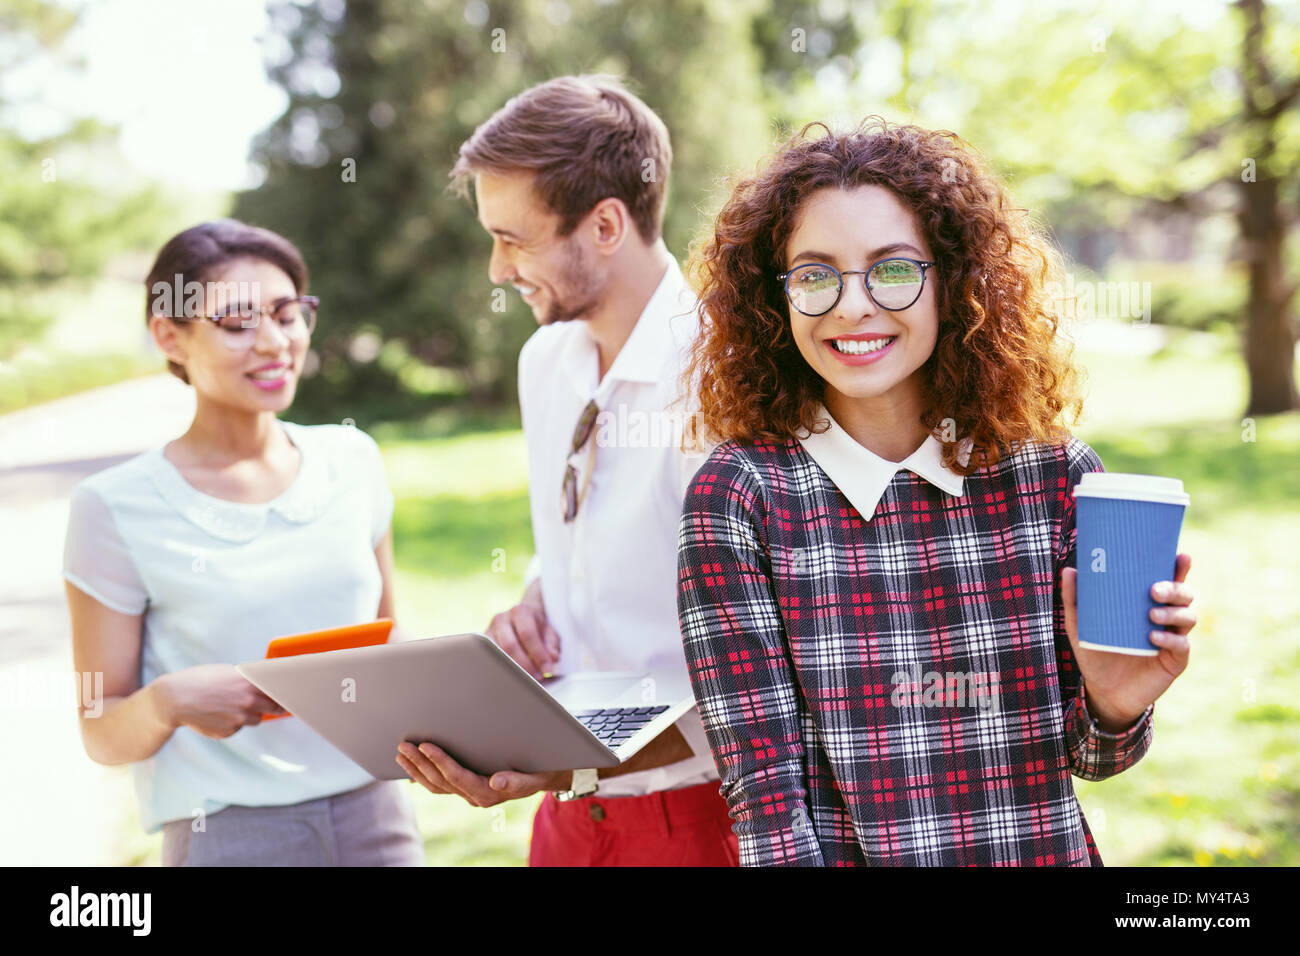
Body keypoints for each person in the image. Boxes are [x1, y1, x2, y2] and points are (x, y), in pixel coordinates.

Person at [675, 118, 1200, 866]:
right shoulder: (740, 498)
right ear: (776, 297)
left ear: (953, 281)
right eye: (816, 275)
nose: (852, 306)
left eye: (892, 270)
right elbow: (768, 807)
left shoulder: (1057, 478)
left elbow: (1096, 762)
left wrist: (1115, 703)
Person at [395, 74, 737, 866]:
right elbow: (604, 540)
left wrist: (560, 764)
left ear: (608, 224)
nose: (494, 267)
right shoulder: (545, 361)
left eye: (513, 237)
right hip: (566, 820)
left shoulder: (725, 379)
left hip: (701, 820)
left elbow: (772, 680)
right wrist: (540, 603)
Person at [62, 219, 424, 866]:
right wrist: (168, 701)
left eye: (289, 315)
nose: (275, 343)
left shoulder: (353, 460)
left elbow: (387, 643)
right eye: (236, 324)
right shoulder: (114, 508)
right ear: (169, 336)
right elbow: (101, 731)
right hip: (227, 836)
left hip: (378, 815)